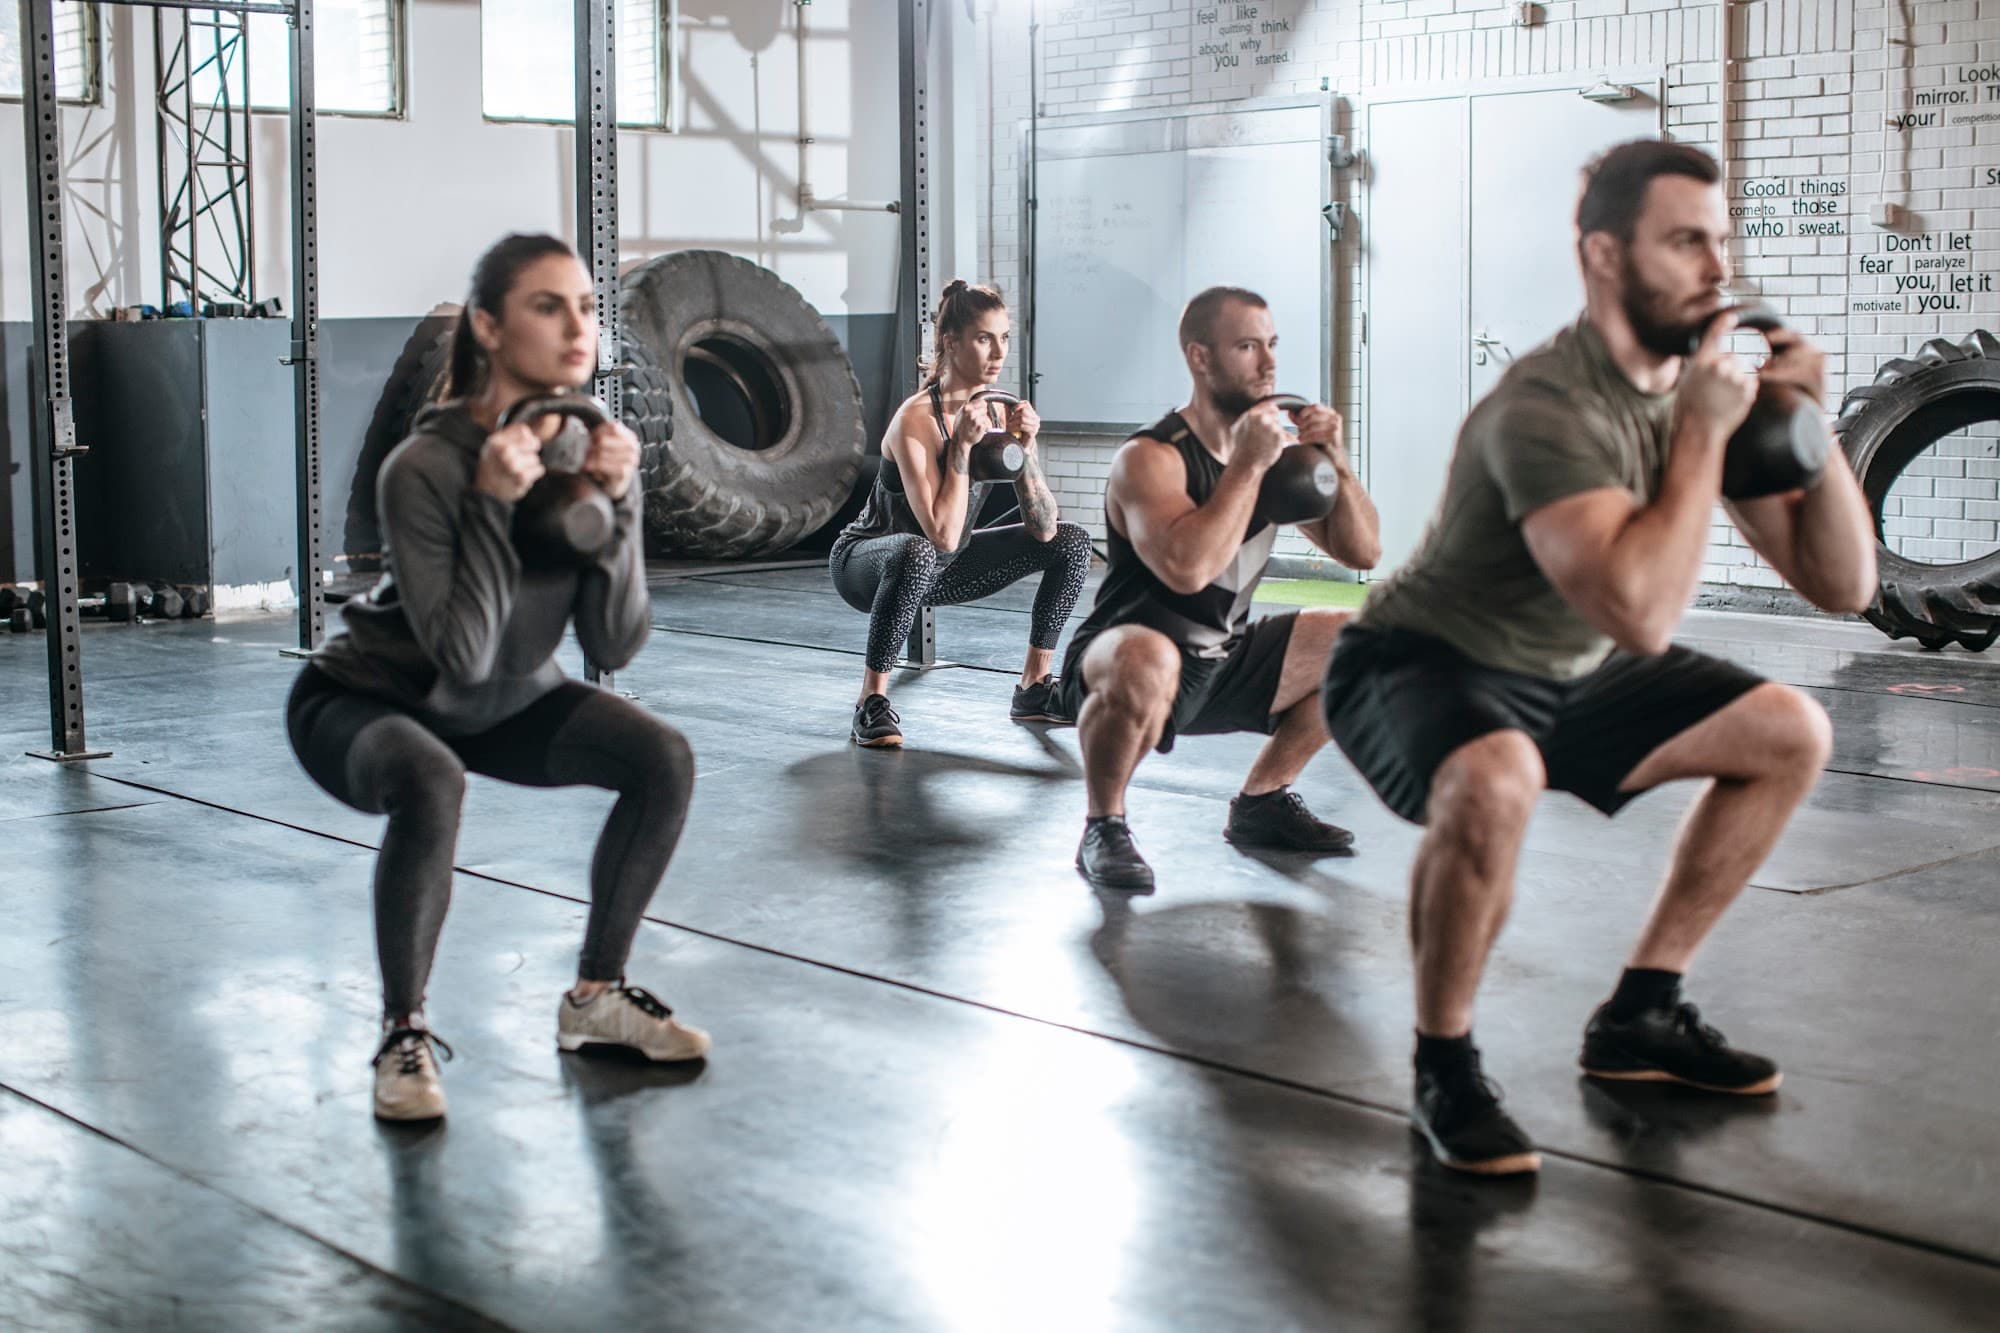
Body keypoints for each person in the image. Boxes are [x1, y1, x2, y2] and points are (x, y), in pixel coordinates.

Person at [1321, 140, 1877, 1175]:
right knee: (1497, 776)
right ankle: (1443, 1062)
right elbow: (1639, 614)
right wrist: (1705, 438)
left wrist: (1813, 423)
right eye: (1682, 243)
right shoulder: (1546, 407)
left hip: (1560, 666)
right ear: (1603, 258)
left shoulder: (1698, 397)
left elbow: (1842, 585)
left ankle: (1641, 1014)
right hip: (1420, 658)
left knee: (1788, 729)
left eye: (1717, 242)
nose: (1715, 270)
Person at [287, 233, 710, 1122]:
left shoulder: (584, 451)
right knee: (430, 777)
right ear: (487, 324)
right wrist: (488, 501)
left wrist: (623, 505)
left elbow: (616, 639)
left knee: (662, 757)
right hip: (369, 699)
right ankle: (404, 1034)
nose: (578, 327)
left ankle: (596, 996)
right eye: (548, 306)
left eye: (588, 307)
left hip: (500, 698)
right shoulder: (427, 467)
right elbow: (462, 654)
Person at [1054, 286, 1382, 891]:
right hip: (1121, 659)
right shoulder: (1151, 457)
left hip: (1220, 660)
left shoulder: (1272, 455)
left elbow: (1362, 552)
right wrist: (1249, 465)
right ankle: (1104, 826)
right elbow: (1189, 569)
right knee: (1146, 654)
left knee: (1362, 636)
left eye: (1272, 345)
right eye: (1247, 346)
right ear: (1200, 358)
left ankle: (1262, 802)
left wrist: (1335, 458)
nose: (1268, 363)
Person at [829, 280, 1093, 747]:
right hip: (866, 564)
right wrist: (962, 450)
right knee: (916, 552)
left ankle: (1034, 688)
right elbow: (941, 536)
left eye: (1005, 337)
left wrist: (1025, 449)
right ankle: (870, 702)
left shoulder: (995, 411)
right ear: (952, 343)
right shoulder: (916, 420)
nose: (998, 352)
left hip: (941, 567)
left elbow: (1045, 527)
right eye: (984, 338)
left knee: (1071, 541)